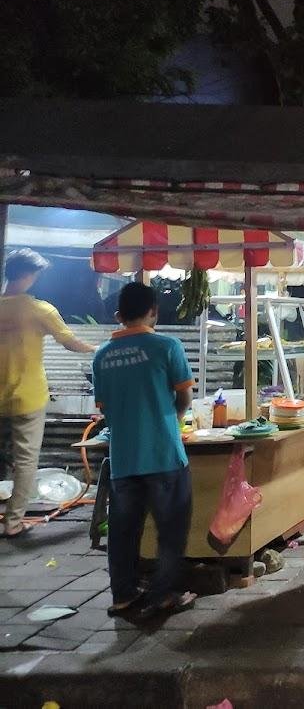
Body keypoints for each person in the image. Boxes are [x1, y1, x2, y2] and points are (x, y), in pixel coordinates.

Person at [92, 282, 196, 618]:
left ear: (119, 315)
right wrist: (172, 422)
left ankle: (123, 595)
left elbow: (105, 407)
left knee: (123, 533)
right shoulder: (166, 346)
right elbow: (184, 397)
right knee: (171, 530)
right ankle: (162, 595)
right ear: (153, 312)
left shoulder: (101, 355)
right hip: (164, 455)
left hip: (123, 459)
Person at [0, 249, 95, 537]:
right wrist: (99, 349)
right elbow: (69, 342)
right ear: (29, 275)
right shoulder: (38, 309)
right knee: (26, 459)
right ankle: (13, 522)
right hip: (26, 396)